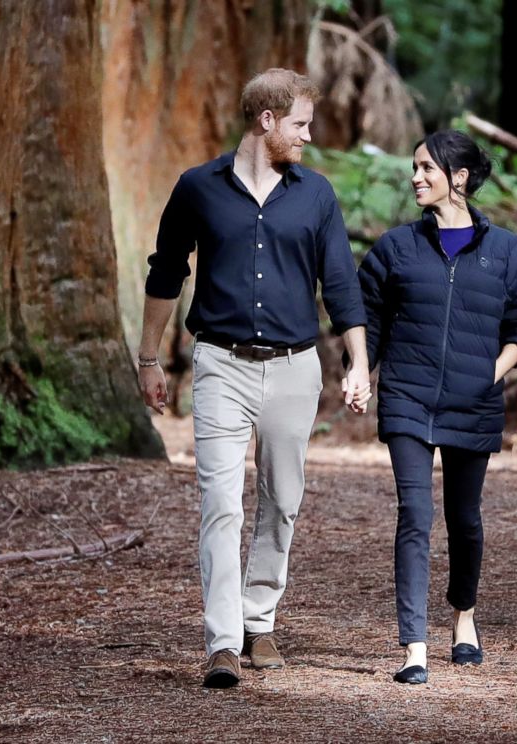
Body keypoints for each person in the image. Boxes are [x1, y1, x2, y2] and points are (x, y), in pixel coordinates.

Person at [137, 68, 371, 688]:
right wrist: (148, 357)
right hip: (220, 363)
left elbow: (341, 283)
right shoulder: (197, 189)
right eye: (300, 124)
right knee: (219, 504)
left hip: (295, 367)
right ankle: (221, 642)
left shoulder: (315, 195)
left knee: (282, 501)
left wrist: (359, 361)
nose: (309, 137)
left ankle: (257, 621)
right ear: (266, 121)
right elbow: (166, 273)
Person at [358, 130, 517, 684]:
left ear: (458, 178)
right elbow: (366, 319)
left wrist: (491, 371)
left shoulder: (506, 252)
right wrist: (359, 371)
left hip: (475, 402)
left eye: (426, 168)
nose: (415, 177)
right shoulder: (395, 248)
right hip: (407, 397)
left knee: (464, 520)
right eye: (413, 168)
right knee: (414, 516)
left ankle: (464, 614)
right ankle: (414, 646)